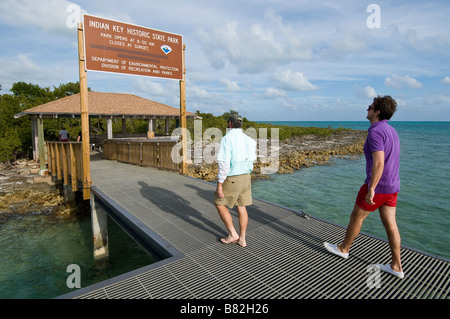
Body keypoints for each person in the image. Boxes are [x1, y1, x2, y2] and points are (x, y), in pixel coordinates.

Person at [324, 95, 404, 279]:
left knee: (356, 217)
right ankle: (396, 266)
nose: (367, 109)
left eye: (370, 106)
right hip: (393, 187)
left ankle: (344, 248)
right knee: (391, 225)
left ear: (377, 112)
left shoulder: (375, 131)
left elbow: (379, 163)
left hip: (379, 187)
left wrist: (371, 189)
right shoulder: (392, 131)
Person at [214, 114, 257, 247]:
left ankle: (233, 234)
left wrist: (220, 184)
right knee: (241, 206)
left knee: (219, 203)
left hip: (233, 178)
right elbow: (252, 160)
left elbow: (224, 163)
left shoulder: (227, 139)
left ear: (230, 124)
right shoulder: (250, 140)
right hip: (246, 177)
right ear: (241, 124)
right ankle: (242, 239)